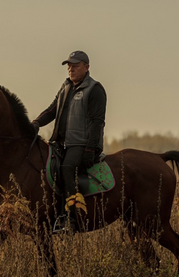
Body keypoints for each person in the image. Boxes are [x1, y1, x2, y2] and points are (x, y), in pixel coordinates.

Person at [31, 50, 107, 232]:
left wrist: (90, 149)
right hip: (61, 143)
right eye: (69, 66)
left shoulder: (95, 89)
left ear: (87, 67)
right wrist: (35, 123)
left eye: (75, 66)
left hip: (82, 144)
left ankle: (71, 219)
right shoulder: (65, 87)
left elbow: (98, 123)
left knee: (67, 168)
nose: (71, 69)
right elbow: (52, 110)